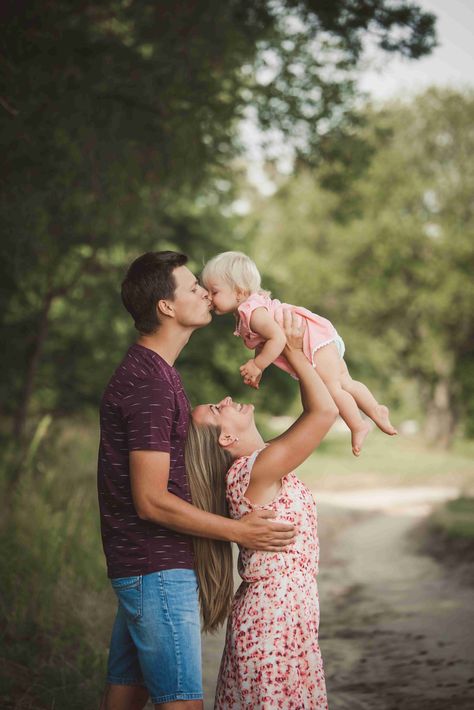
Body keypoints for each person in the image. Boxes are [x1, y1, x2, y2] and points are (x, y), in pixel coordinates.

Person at [98, 251, 296, 710]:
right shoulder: (149, 383)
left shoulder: (159, 375)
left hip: (145, 566)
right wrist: (239, 531)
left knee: (125, 699)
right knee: (182, 703)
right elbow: (150, 501)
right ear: (166, 307)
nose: (206, 293)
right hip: (155, 569)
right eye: (192, 288)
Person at [186, 310, 339, 709]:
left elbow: (313, 410)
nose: (224, 400)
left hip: (284, 615)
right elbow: (325, 413)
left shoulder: (261, 462)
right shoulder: (255, 472)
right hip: (274, 619)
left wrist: (292, 353)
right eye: (217, 411)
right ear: (227, 438)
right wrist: (287, 348)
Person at [201, 250, 397, 456]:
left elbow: (277, 338)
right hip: (318, 337)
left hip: (310, 341)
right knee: (345, 381)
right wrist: (258, 366)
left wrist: (258, 365)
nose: (210, 298)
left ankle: (358, 424)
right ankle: (376, 409)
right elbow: (264, 342)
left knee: (333, 388)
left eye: (214, 292)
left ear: (239, 292)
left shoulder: (251, 312)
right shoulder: (249, 311)